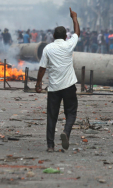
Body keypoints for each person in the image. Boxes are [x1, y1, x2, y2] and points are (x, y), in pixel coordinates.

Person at [35, 8, 80, 152]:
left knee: (52, 116)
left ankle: (50, 146)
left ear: (53, 36)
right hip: (69, 86)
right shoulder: (69, 45)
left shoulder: (48, 48)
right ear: (66, 36)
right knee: (71, 112)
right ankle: (66, 132)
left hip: (54, 88)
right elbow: (77, 33)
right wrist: (74, 18)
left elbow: (42, 68)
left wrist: (38, 84)